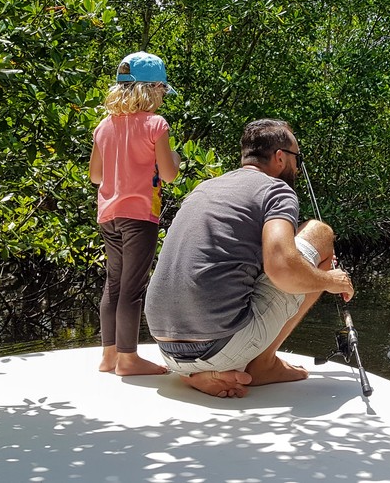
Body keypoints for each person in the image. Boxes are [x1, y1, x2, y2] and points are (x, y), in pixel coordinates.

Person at [143, 119, 354, 398]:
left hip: (167, 349)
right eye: (297, 159)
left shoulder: (206, 188)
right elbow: (282, 269)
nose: (297, 168)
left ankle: (197, 374)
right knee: (320, 233)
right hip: (220, 347)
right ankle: (262, 364)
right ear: (280, 157)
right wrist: (330, 280)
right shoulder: (276, 191)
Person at [89, 51, 182, 376]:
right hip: (140, 215)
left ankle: (109, 355)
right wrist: (176, 158)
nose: (161, 97)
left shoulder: (103, 126)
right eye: (160, 91)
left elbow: (96, 176)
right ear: (152, 89)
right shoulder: (156, 124)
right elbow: (169, 175)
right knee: (132, 287)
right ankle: (128, 359)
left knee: (113, 284)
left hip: (109, 214)